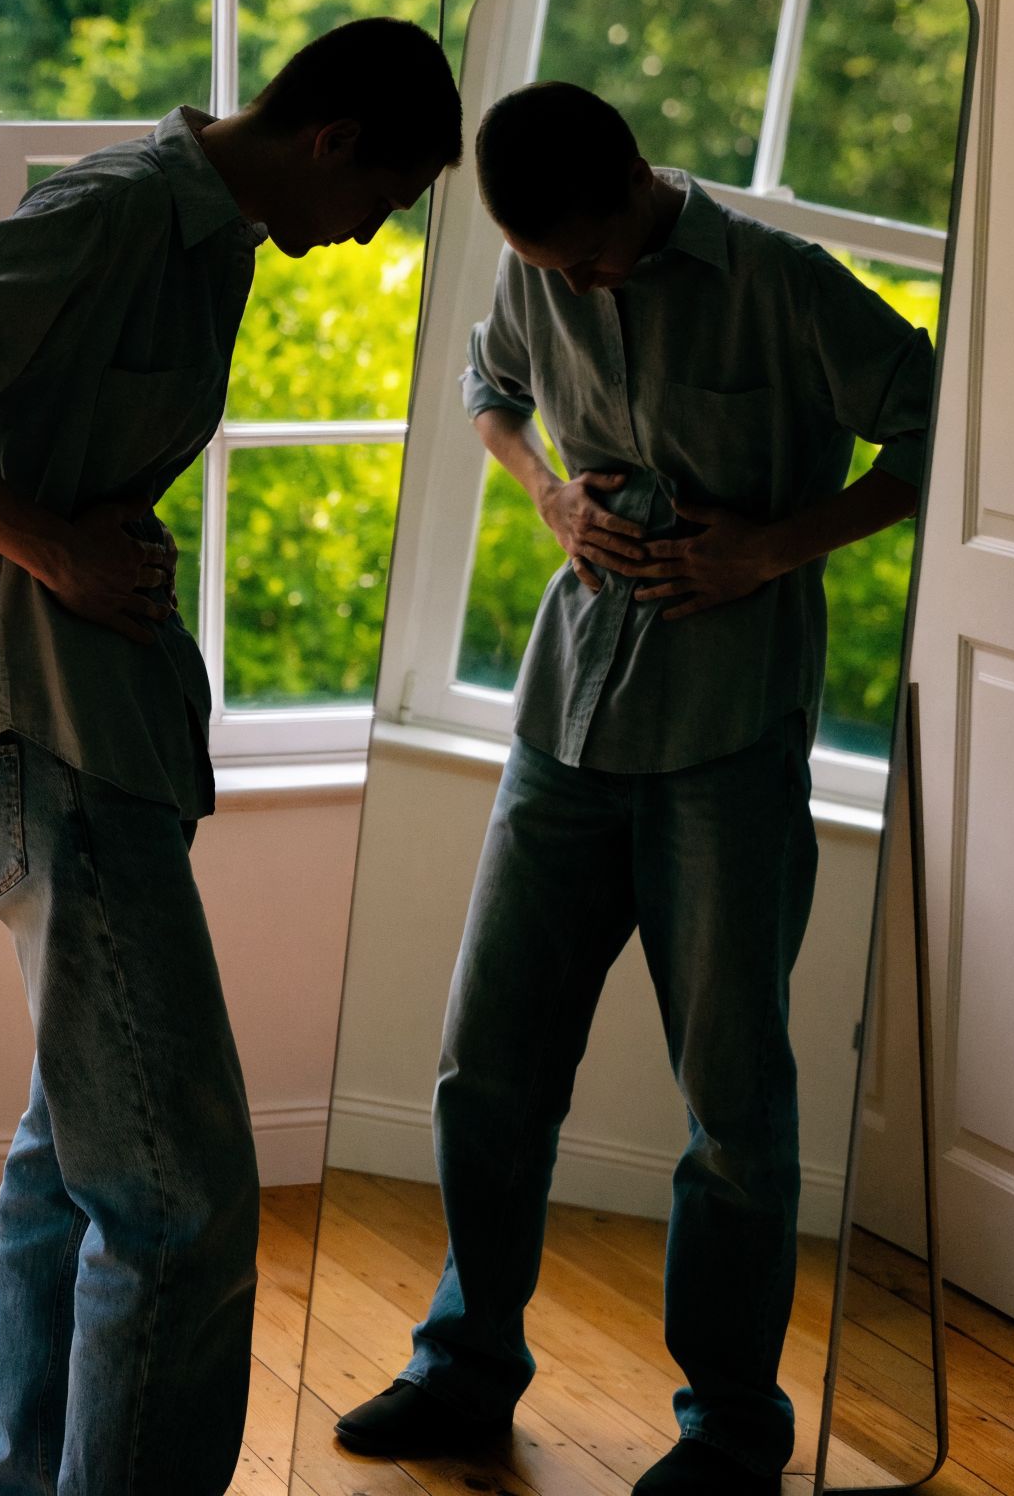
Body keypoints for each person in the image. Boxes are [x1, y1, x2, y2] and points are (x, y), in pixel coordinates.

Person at [0, 17, 459, 1496]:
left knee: (73, 1161)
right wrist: (49, 550)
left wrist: (85, 551)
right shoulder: (112, 215)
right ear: (333, 141)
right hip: (51, 739)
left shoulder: (214, 236)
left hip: (108, 733)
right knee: (182, 1196)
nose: (368, 238)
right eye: (388, 198)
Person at [329, 82, 938, 1495]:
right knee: (487, 1072)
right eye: (548, 268)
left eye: (588, 260)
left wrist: (775, 548)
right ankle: (464, 1367)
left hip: (728, 742)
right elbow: (489, 389)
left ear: (636, 189)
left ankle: (731, 1426)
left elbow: (932, 428)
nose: (572, 287)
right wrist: (544, 488)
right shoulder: (538, 265)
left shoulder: (783, 287)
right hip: (566, 726)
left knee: (733, 1108)